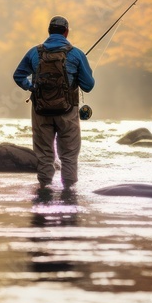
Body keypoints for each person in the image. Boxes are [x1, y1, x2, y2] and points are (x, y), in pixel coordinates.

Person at [13, 16, 95, 188]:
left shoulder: (34, 53)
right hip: (67, 112)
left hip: (41, 111)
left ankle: (44, 190)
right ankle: (69, 192)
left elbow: (18, 75)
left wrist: (32, 87)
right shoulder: (76, 54)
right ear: (66, 32)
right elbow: (88, 86)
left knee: (43, 155)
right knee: (69, 155)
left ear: (49, 31)